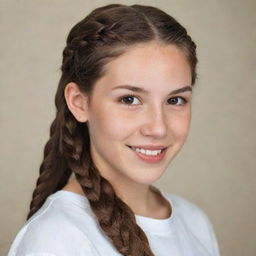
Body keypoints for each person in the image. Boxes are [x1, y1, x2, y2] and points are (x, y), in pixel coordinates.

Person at [8, 3, 220, 256]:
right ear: (79, 102)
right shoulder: (57, 240)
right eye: (129, 99)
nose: (158, 128)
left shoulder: (195, 222)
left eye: (175, 100)